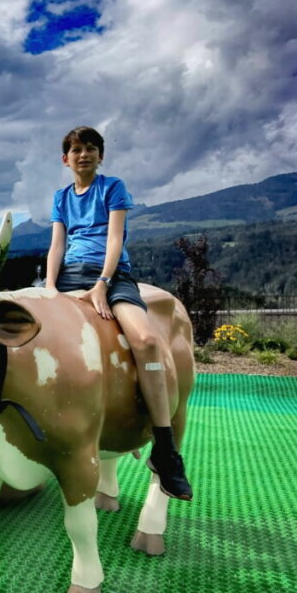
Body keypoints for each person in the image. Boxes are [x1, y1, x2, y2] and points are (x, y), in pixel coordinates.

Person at [46, 126, 192, 501]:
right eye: (76, 150)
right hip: (66, 278)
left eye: (91, 148)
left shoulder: (112, 188)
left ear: (100, 156)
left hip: (112, 277)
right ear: (66, 159)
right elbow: (57, 244)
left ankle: (165, 448)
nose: (84, 155)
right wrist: (48, 288)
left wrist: (103, 283)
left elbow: (115, 238)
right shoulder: (61, 197)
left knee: (144, 341)